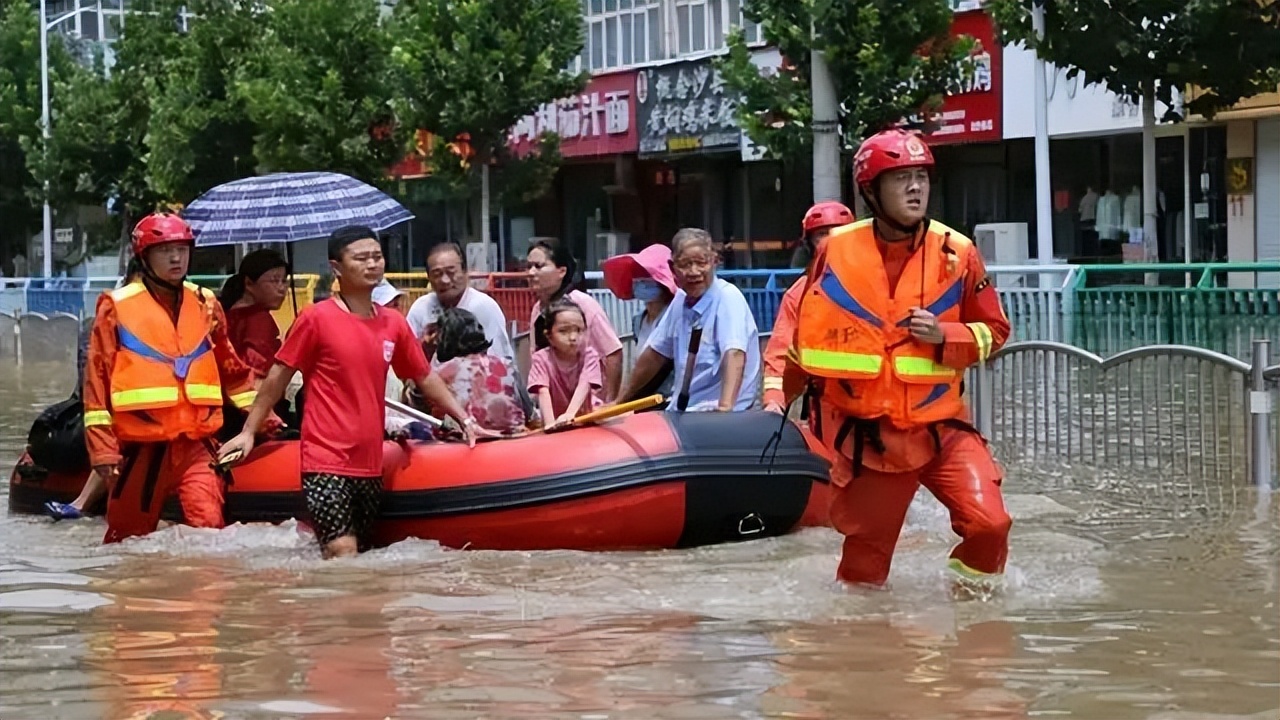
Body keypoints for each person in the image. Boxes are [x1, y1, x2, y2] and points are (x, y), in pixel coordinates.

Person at [789, 128, 1012, 589]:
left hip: (942, 428)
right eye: (901, 179)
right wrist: (778, 400)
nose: (916, 188)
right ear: (871, 191)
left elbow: (996, 332)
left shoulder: (958, 252)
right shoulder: (835, 250)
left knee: (990, 525)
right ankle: (869, 654)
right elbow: (807, 333)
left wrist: (943, 335)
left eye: (921, 177)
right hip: (872, 439)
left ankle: (969, 608)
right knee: (863, 577)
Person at [218, 226, 491, 559]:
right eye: (361, 258)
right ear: (336, 267)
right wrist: (248, 431)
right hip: (325, 461)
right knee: (343, 551)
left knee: (358, 558)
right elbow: (278, 376)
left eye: (377, 256)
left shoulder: (393, 322)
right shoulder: (315, 318)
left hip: (370, 463)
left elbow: (424, 376)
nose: (372, 264)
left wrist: (463, 418)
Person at [81, 213, 264, 543]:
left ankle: (203, 594)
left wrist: (265, 421)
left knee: (209, 533)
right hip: (142, 448)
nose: (176, 258)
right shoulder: (116, 308)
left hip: (197, 444)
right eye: (165, 250)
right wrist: (103, 451)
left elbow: (232, 371)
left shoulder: (206, 303)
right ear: (144, 257)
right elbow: (98, 384)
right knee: (126, 541)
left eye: (182, 249)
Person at [43, 261, 147, 521]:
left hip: (152, 410)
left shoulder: (181, 314)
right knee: (125, 432)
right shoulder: (107, 320)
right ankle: (84, 502)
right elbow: (91, 380)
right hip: (109, 411)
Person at [617, 229, 762, 413]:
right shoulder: (680, 300)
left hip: (722, 416)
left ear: (714, 261)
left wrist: (725, 408)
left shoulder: (728, 297)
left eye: (701, 263)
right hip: (684, 412)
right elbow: (654, 355)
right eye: (685, 264)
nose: (694, 272)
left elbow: (734, 354)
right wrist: (619, 403)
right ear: (672, 268)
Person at [762, 202, 855, 415]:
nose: (830, 240)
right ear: (810, 243)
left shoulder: (877, 283)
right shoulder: (800, 294)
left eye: (837, 233)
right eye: (822, 234)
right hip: (826, 408)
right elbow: (780, 355)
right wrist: (775, 401)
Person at [526, 238, 623, 405]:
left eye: (539, 266)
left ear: (561, 271)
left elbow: (613, 352)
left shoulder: (583, 304)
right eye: (528, 267)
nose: (531, 272)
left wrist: (610, 400)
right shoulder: (537, 309)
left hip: (589, 403)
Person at [406, 242, 515, 367]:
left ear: (465, 271)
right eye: (437, 274)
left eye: (451, 272)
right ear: (429, 278)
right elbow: (405, 359)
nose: (445, 280)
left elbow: (501, 360)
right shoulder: (420, 308)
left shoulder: (485, 307)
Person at [425, 306, 527, 435]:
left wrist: (426, 352)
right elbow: (529, 411)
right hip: (513, 439)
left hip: (466, 443)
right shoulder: (506, 365)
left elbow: (417, 408)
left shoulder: (442, 373)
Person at [600, 244, 678, 400]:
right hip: (644, 396)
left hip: (667, 397)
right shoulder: (638, 320)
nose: (641, 285)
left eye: (648, 281)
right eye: (637, 280)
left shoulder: (674, 315)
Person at [372, 280, 432, 440]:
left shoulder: (398, 342)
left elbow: (422, 376)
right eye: (393, 305)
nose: (399, 310)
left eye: (398, 305)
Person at [528, 300, 601, 428]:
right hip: (556, 423)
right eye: (563, 331)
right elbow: (543, 391)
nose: (573, 337)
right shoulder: (541, 359)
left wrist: (569, 415)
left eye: (579, 330)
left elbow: (584, 385)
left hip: (583, 422)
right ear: (549, 336)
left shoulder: (590, 355)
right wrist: (550, 424)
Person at [220, 249, 290, 379]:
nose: (282, 289)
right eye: (275, 281)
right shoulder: (259, 319)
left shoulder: (223, 315)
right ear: (249, 284)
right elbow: (257, 367)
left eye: (284, 281)